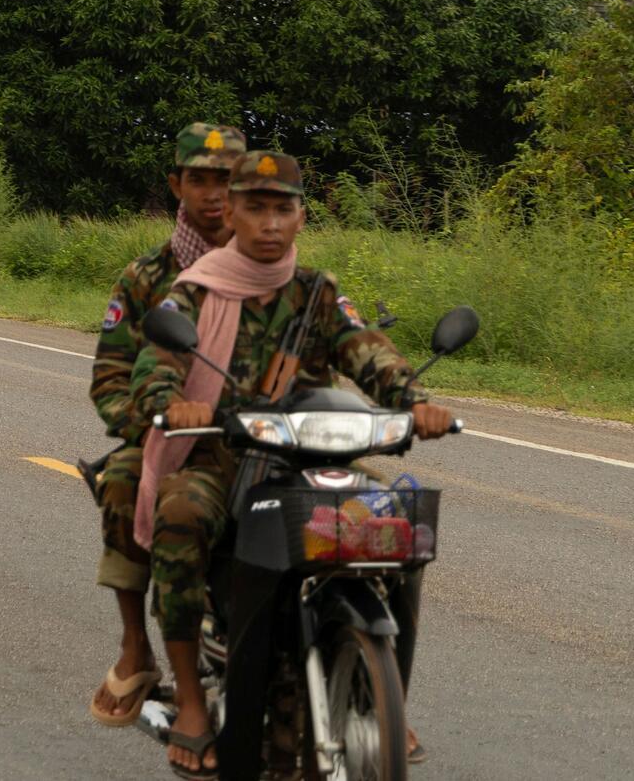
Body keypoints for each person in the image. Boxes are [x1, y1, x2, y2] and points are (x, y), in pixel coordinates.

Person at [130, 151, 452, 779]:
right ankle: (192, 701)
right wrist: (174, 404)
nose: (270, 223)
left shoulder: (318, 292)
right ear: (235, 212)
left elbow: (369, 352)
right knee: (180, 514)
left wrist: (416, 402)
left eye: (284, 208)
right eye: (256, 208)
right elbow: (155, 371)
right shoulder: (196, 288)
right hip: (222, 456)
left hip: (310, 457)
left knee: (397, 522)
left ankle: (381, 694)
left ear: (302, 217)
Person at [85, 123, 244, 729]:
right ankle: (136, 646)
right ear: (177, 185)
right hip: (171, 442)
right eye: (199, 180)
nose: (213, 195)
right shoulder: (146, 279)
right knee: (125, 479)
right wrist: (151, 424)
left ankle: (374, 678)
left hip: (262, 440)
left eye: (227, 180)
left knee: (377, 508)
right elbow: (111, 374)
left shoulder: (276, 267)